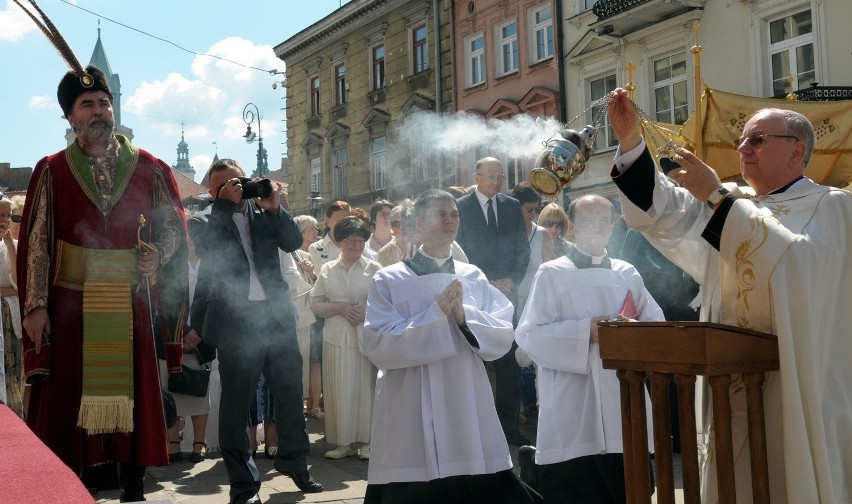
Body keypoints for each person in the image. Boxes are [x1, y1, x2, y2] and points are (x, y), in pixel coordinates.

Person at [607, 87, 852, 503]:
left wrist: (716, 196)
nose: (743, 148)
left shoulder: (833, 207)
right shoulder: (735, 204)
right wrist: (631, 141)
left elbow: (796, 264)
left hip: (794, 385)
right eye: (742, 140)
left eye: (757, 139)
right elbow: (665, 214)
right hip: (729, 381)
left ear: (797, 151)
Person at [17, 65, 188, 502]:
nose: (99, 112)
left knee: (134, 393)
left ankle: (134, 485)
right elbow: (36, 241)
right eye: (87, 105)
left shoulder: (149, 166)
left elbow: (173, 228)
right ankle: (66, 486)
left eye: (104, 103)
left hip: (128, 301)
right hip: (68, 302)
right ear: (70, 118)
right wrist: (35, 306)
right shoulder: (52, 170)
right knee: (65, 401)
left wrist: (158, 254)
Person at [362, 189, 543, 504]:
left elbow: (502, 329)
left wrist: (465, 317)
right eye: (440, 214)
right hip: (409, 393)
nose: (449, 221)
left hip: (463, 387)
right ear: (419, 222)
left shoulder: (471, 275)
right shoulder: (390, 279)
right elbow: (377, 342)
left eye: (454, 214)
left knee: (470, 463)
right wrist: (435, 315)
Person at [188, 158, 322, 504]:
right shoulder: (202, 220)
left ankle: (294, 462)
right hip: (236, 324)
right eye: (224, 186)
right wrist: (222, 206)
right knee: (236, 407)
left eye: (239, 182)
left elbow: (293, 242)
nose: (236, 190)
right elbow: (208, 250)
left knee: (291, 397)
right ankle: (244, 486)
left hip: (275, 319)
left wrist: (276, 209)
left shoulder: (264, 215)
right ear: (212, 192)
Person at [516, 194, 664, 504]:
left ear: (612, 227)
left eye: (603, 221)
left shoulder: (627, 273)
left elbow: (655, 327)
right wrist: (585, 332)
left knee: (627, 489)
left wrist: (632, 334)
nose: (596, 227)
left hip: (622, 397)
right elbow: (529, 335)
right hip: (572, 400)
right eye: (587, 220)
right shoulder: (552, 273)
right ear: (571, 227)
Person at [456, 157, 530, 446]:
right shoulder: (460, 208)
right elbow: (459, 251)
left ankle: (509, 428)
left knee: (507, 363)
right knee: (471, 360)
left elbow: (521, 250)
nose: (496, 181)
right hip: (473, 295)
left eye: (500, 176)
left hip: (504, 296)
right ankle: (472, 428)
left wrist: (512, 280)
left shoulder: (511, 207)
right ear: (476, 177)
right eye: (490, 176)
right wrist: (483, 284)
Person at [310, 216, 380, 460]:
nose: (356, 245)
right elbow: (316, 305)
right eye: (351, 240)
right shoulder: (328, 269)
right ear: (340, 242)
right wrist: (340, 308)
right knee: (338, 388)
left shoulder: (375, 268)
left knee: (365, 390)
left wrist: (366, 311)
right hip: (336, 337)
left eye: (361, 240)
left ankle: (367, 442)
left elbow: (385, 305)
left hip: (365, 337)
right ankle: (342, 442)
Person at [160, 216, 213, 464]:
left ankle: (199, 443)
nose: (190, 238)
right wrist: (184, 330)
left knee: (200, 391)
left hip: (204, 337)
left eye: (195, 233)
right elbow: (163, 302)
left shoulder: (212, 264)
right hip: (173, 335)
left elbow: (219, 301)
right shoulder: (170, 263)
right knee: (171, 388)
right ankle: (172, 441)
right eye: (186, 233)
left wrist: (199, 332)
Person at [282, 214, 323, 420]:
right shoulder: (277, 251)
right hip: (279, 319)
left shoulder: (304, 256)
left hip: (303, 319)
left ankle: (303, 408)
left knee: (303, 367)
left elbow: (317, 290)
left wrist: (310, 274)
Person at [0, 196, 23, 418]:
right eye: (1, 215)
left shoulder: (14, 246)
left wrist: (8, 245)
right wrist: (11, 290)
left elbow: (20, 285)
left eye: (8, 216)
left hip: (11, 322)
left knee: (14, 377)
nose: (5, 220)